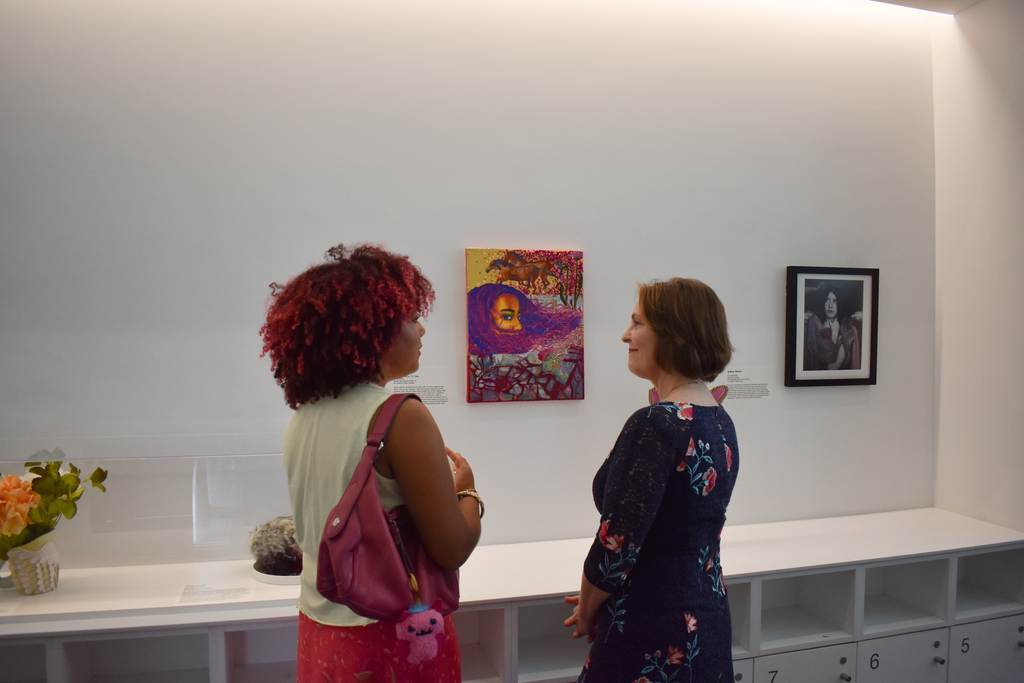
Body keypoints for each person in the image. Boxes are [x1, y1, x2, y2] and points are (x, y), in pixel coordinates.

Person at [260, 244, 483, 682]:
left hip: (321, 631)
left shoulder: (304, 416)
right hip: (394, 637)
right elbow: (452, 548)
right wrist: (468, 491)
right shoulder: (401, 415)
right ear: (375, 329)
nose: (422, 330)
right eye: (412, 318)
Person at [564, 278, 739, 683]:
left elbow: (615, 546)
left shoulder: (656, 424)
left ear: (673, 335)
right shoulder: (718, 417)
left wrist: (588, 608)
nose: (626, 334)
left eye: (638, 323)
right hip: (706, 618)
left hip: (651, 629)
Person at [803, 284, 861, 371]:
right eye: (827, 300)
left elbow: (831, 368)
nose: (830, 305)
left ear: (840, 303)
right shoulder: (814, 325)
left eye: (835, 301)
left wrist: (832, 334)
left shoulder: (848, 330)